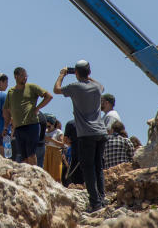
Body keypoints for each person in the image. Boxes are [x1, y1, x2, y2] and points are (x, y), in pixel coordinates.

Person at [54, 61, 107, 212]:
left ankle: (95, 202)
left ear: (76, 73)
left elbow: (56, 89)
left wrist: (62, 74)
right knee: (98, 167)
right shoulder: (97, 87)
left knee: (88, 168)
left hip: (86, 133)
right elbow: (101, 86)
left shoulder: (75, 87)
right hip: (101, 132)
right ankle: (102, 198)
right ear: (89, 72)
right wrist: (88, 76)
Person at [3, 67, 52, 165]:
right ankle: (28, 178)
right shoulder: (11, 92)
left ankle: (35, 177)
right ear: (16, 76)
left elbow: (48, 96)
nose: (25, 78)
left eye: (26, 75)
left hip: (32, 125)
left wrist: (37, 108)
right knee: (23, 156)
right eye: (22, 75)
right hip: (18, 128)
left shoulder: (32, 87)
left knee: (31, 154)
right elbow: (6, 109)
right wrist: (5, 126)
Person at [43, 116, 64, 182]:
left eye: (49, 126)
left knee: (56, 171)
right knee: (46, 170)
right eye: (46, 126)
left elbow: (62, 144)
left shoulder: (58, 132)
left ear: (53, 125)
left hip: (56, 152)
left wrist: (51, 140)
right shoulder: (45, 131)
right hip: (47, 151)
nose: (47, 128)